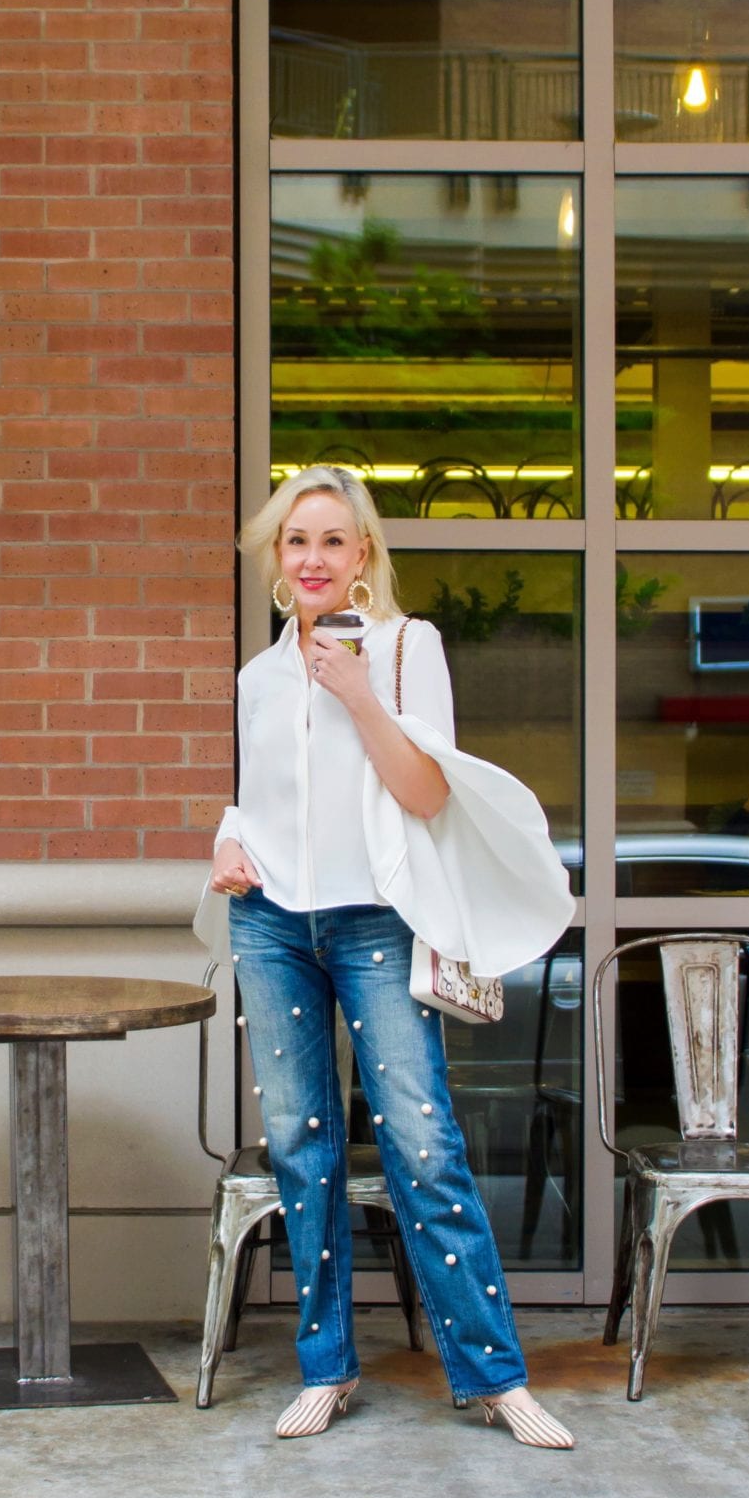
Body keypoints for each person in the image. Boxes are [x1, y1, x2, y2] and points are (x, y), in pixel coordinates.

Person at [199, 465, 575, 1447]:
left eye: (332, 538)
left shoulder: (410, 649)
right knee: (303, 1148)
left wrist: (358, 691)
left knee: (421, 1145)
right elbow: (264, 799)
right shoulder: (257, 677)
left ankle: (493, 1374)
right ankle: (326, 1367)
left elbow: (426, 794)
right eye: (296, 541)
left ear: (363, 553)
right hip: (273, 923)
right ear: (275, 562)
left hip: (376, 923)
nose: (313, 557)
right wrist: (227, 838)